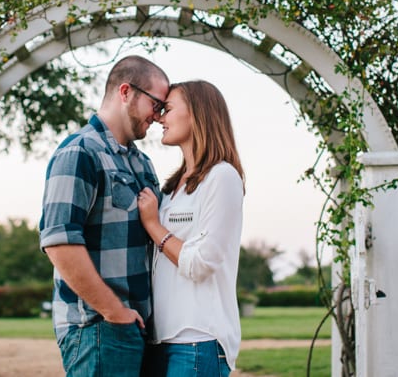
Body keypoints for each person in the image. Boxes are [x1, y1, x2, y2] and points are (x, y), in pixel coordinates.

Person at [39, 55, 170, 377]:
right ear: (126, 92)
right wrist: (114, 312)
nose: (159, 115)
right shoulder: (79, 152)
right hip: (97, 328)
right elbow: (59, 243)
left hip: (139, 327)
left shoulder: (142, 164)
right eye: (156, 104)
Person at [137, 80, 245, 377]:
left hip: (198, 340)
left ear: (197, 114)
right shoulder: (173, 189)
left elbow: (200, 264)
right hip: (161, 340)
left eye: (167, 109)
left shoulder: (222, 178)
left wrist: (153, 226)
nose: (159, 117)